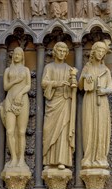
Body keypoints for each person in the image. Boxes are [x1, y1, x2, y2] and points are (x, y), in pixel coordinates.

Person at [42, 42, 77, 170]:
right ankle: (48, 160)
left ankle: (62, 159)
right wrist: (57, 83)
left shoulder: (69, 68)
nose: (62, 53)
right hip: (53, 102)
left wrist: (73, 81)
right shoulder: (49, 67)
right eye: (59, 51)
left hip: (64, 101)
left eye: (64, 51)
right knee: (48, 130)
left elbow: (73, 85)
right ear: (55, 52)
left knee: (63, 130)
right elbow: (44, 82)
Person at [78, 41, 112, 169]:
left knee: (101, 128)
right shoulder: (87, 67)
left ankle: (100, 157)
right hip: (89, 100)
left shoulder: (106, 70)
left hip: (101, 101)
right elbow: (80, 87)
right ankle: (88, 157)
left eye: (103, 52)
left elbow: (110, 87)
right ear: (93, 52)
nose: (101, 53)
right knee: (89, 127)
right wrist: (85, 77)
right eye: (98, 51)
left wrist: (103, 91)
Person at [0, 47, 31, 168]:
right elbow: (6, 87)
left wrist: (20, 93)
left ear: (22, 56)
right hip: (9, 100)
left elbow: (28, 85)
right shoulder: (8, 70)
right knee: (10, 131)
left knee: (21, 132)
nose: (17, 55)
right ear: (12, 56)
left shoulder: (26, 69)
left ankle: (21, 159)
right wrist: (16, 80)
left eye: (19, 54)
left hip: (22, 101)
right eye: (15, 54)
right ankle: (13, 158)